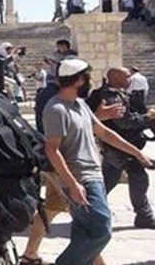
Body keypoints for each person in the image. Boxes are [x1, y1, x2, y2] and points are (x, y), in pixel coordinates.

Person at [42, 59, 152, 264]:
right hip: (81, 179)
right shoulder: (56, 109)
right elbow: (52, 149)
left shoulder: (80, 104)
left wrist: (137, 153)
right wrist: (73, 184)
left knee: (83, 232)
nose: (90, 83)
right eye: (87, 78)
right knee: (101, 229)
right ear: (79, 80)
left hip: (94, 175)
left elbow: (103, 132)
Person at [86, 67, 155, 228]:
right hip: (119, 147)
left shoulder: (110, 93)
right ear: (116, 78)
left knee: (108, 179)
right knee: (139, 176)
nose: (130, 79)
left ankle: (88, 209)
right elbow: (124, 122)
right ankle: (144, 215)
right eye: (127, 76)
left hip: (114, 147)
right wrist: (148, 117)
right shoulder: (111, 97)